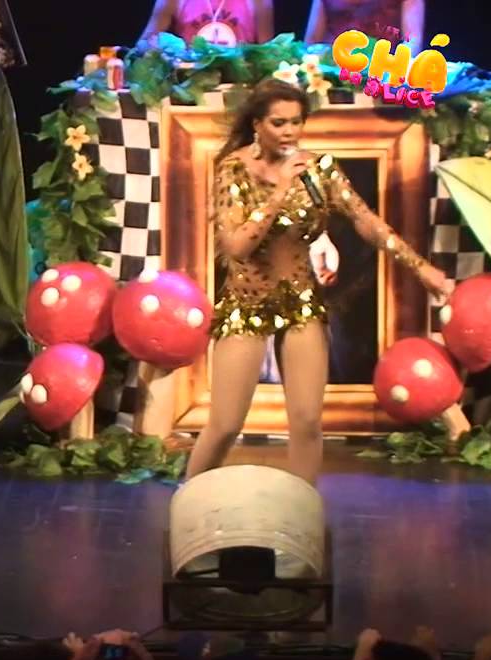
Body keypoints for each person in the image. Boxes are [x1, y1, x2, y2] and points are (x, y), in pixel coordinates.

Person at [185, 79, 451, 485]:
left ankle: (301, 508)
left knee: (308, 421)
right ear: (257, 125)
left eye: (296, 122)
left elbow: (365, 220)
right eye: (278, 123)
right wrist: (279, 193)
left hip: (301, 302)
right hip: (246, 304)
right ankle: (187, 499)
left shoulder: (318, 168)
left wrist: (420, 268)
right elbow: (237, 246)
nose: (289, 132)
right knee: (225, 424)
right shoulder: (234, 169)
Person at [305, 0, 425, 55]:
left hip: (381, 71)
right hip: (331, 69)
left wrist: (395, 65)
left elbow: (413, 40)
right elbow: (311, 41)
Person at [138, 0, 274, 48]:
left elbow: (268, 53)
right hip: (190, 85)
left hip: (240, 88)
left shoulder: (259, 2)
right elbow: (144, 44)